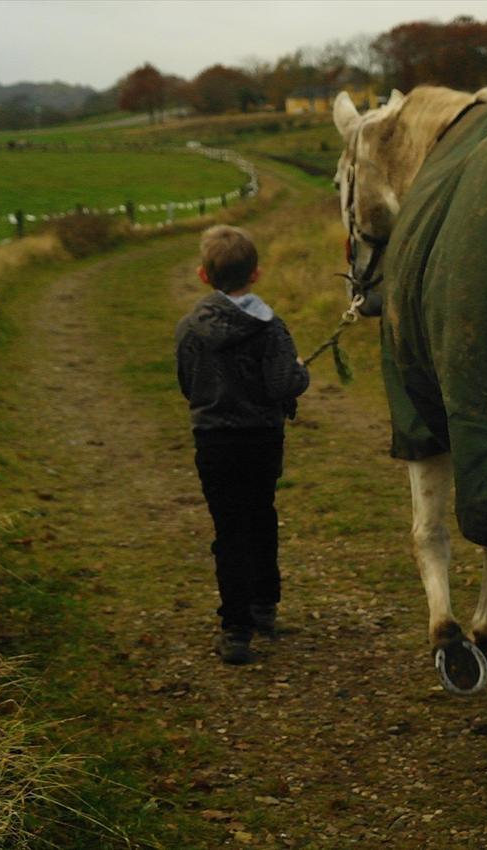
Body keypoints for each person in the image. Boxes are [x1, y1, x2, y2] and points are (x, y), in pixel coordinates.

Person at [175, 225, 309, 665]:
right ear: (257, 274)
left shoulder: (190, 328)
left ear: (202, 275)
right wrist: (300, 373)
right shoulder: (270, 328)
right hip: (262, 440)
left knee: (228, 530)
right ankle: (264, 606)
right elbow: (282, 385)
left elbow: (187, 383)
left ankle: (236, 631)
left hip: (213, 441)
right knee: (261, 516)